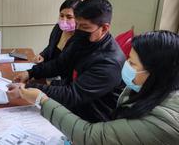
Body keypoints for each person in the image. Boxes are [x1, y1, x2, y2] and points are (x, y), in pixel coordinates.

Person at [9, 30, 179, 145]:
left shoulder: (163, 121)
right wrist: (34, 75)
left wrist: (41, 98)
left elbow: (90, 134)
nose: (125, 65)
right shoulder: (143, 88)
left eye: (132, 63)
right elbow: (60, 64)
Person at [11, 0, 126, 122]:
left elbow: (72, 95)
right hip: (72, 107)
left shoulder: (109, 62)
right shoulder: (80, 39)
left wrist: (28, 88)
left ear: (104, 28)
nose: (79, 30)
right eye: (77, 24)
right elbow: (59, 64)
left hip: (92, 119)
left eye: (85, 27)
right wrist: (30, 73)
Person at [33, 0, 80, 64]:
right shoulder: (58, 28)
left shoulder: (80, 38)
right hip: (48, 67)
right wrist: (42, 55)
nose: (64, 20)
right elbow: (50, 47)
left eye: (69, 17)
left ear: (79, 18)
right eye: (61, 15)